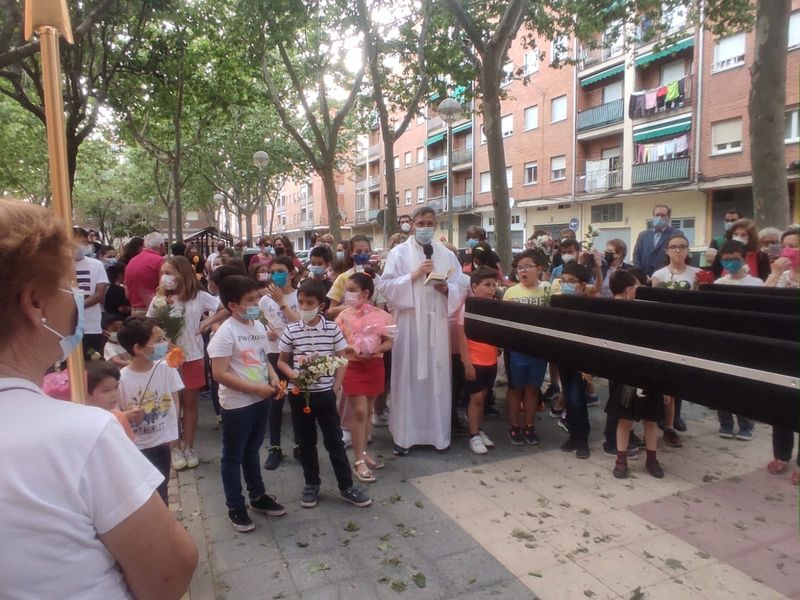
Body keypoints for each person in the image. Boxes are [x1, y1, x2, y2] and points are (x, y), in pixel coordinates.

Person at [0, 200, 197, 598]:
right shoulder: (83, 434)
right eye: (69, 286)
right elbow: (169, 571)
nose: (76, 297)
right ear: (35, 303)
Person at [377, 206, 466, 455]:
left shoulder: (446, 254)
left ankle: (437, 435)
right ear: (412, 224)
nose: (425, 227)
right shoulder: (399, 252)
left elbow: (461, 284)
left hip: (436, 323)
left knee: (436, 378)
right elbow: (385, 286)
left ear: (436, 226)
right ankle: (405, 436)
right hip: (409, 323)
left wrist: (447, 289)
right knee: (408, 378)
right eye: (421, 222)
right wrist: (414, 275)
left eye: (430, 223)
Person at [277, 279, 372, 508]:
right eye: (300, 303)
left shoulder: (331, 329)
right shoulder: (291, 330)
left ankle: (346, 485)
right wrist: (293, 376)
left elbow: (342, 359)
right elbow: (281, 362)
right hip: (300, 394)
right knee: (306, 441)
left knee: (334, 441)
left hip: (325, 394)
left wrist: (336, 387)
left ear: (320, 305)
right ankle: (311, 483)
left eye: (309, 303)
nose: (304, 307)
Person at [207, 275, 287, 532]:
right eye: (249, 300)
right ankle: (235, 505)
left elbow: (264, 360)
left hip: (260, 399)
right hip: (237, 405)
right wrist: (256, 388)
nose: (256, 304)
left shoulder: (258, 326)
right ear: (232, 305)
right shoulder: (225, 333)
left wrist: (274, 379)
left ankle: (258, 496)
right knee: (233, 456)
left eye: (256, 298)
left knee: (252, 451)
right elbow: (219, 374)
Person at [147, 256, 223, 470]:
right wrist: (162, 338)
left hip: (193, 355)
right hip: (166, 358)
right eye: (163, 273)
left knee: (190, 403)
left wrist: (207, 322)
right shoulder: (159, 300)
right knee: (171, 405)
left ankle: (188, 446)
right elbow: (150, 322)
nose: (166, 277)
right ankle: (174, 447)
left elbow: (222, 309)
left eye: (170, 272)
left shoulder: (198, 296)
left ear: (183, 273)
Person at [117, 317, 184, 502]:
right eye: (158, 341)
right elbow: (115, 414)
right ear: (138, 348)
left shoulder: (165, 368)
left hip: (162, 442)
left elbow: (174, 397)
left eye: (164, 338)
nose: (165, 344)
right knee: (144, 493)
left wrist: (174, 428)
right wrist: (127, 416)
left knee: (162, 486)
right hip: (138, 446)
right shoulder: (122, 380)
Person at [336, 273, 394, 480]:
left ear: (366, 292)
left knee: (368, 411)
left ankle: (363, 453)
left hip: (374, 366)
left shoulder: (382, 315)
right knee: (359, 412)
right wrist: (350, 348)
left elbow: (389, 341)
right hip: (352, 367)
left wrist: (375, 348)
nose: (348, 294)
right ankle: (358, 461)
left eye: (352, 290)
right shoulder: (343, 316)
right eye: (347, 290)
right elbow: (338, 342)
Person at [502, 251, 550, 446]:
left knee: (532, 389)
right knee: (515, 389)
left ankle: (529, 426)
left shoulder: (547, 291)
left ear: (538, 269)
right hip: (516, 351)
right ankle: (514, 426)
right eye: (520, 267)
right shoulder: (511, 293)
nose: (523, 271)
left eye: (527, 266)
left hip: (539, 350)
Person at [713, 241, 759, 441]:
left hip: (747, 340)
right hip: (723, 340)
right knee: (722, 384)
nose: (731, 263)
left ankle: (746, 424)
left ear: (744, 258)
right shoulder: (718, 285)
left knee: (744, 384)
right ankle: (725, 423)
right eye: (726, 260)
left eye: (735, 259)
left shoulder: (756, 284)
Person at [257, 256, 301, 470]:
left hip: (296, 354)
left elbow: (302, 324)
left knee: (297, 401)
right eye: (272, 271)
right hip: (275, 354)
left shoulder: (300, 295)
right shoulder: (265, 300)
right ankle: (274, 447)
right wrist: (267, 332)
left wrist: (282, 302)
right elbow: (258, 322)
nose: (276, 275)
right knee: (275, 401)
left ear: (292, 273)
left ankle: (299, 444)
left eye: (280, 270)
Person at [457, 267, 501, 454]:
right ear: (474, 286)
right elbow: (461, 336)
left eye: (494, 285)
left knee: (482, 397)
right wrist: (467, 363)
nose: (492, 289)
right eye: (487, 285)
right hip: (474, 362)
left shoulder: (495, 306)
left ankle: (478, 428)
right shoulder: (467, 307)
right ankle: (473, 435)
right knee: (475, 398)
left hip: (491, 361)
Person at [602, 269, 643, 458]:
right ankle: (612, 440)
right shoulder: (623, 309)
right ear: (628, 290)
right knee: (618, 402)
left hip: (618, 363)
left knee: (621, 401)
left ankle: (624, 435)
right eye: (636, 288)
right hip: (620, 364)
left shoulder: (610, 306)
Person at [557, 262, 594, 459]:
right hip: (564, 357)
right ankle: (573, 435)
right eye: (563, 281)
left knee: (577, 399)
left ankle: (582, 440)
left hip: (582, 360)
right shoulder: (560, 302)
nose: (566, 285)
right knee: (569, 400)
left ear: (582, 285)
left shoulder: (589, 306)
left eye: (571, 282)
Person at [74, 226, 110, 360]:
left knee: (92, 365)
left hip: (91, 326)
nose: (79, 246)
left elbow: (100, 294)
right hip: (67, 327)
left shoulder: (96, 265)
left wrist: (77, 306)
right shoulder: (59, 266)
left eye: (83, 242)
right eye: (76, 242)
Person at [86, 360, 141, 440]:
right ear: (87, 393)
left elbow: (128, 446)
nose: (114, 394)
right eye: (106, 390)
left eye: (116, 387)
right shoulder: (84, 422)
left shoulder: (119, 417)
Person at [632, 205, 682, 276]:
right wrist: (642, 275)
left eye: (663, 215)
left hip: (665, 278)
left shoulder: (676, 234)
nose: (659, 218)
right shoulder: (643, 235)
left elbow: (678, 257)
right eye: (657, 215)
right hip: (645, 279)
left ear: (668, 218)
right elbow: (636, 256)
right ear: (653, 216)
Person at [125, 231, 166, 315]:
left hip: (135, 310)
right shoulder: (160, 261)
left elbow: (127, 289)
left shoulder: (132, 261)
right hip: (153, 311)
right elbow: (163, 287)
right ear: (161, 246)